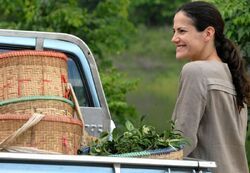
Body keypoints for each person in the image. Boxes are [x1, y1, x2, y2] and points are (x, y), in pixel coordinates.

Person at [171, 1, 250, 173]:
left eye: (182, 31)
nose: (174, 38)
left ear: (208, 33)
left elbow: (181, 142)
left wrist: (143, 157)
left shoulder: (195, 71)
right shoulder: (234, 76)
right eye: (174, 31)